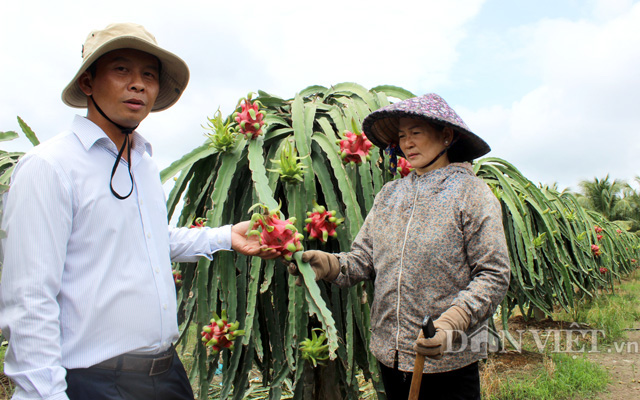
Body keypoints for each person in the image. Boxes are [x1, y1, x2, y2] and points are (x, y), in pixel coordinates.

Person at [0, 22, 276, 400]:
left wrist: (225, 235)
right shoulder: (49, 167)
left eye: (149, 75)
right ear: (87, 82)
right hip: (91, 382)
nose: (138, 84)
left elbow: (150, 240)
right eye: (121, 70)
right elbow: (29, 298)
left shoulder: (143, 162)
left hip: (165, 374)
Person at [289, 94, 511, 399]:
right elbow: (363, 259)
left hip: (448, 362)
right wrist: (328, 265)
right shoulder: (389, 195)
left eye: (416, 133)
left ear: (446, 136)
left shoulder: (471, 193)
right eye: (402, 136)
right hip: (389, 357)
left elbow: (493, 274)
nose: (407, 143)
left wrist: (451, 324)